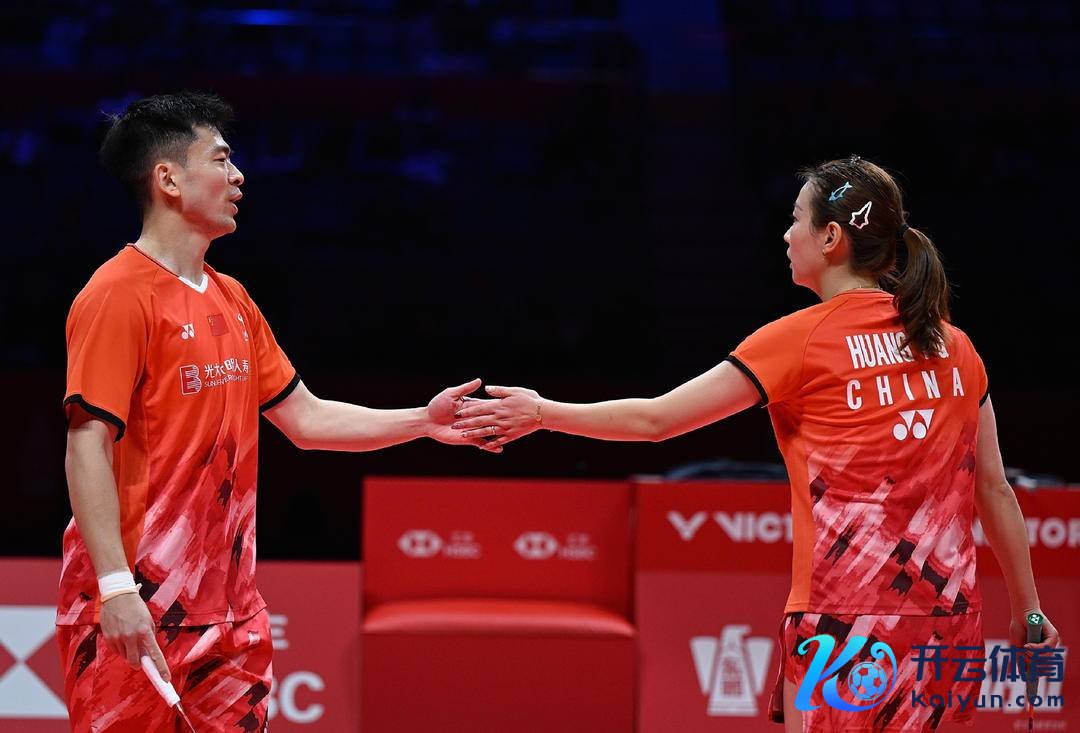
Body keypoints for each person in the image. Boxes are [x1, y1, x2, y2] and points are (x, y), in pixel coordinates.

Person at [454, 156, 1060, 731]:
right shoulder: (955, 346)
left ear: (831, 238)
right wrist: (1029, 610)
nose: (786, 235)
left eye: (796, 219)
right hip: (947, 618)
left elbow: (658, 420)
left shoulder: (800, 340)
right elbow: (994, 489)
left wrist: (544, 413)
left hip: (844, 620)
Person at [58, 92, 495, 732]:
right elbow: (87, 443)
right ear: (168, 179)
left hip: (232, 613)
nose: (239, 177)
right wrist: (116, 588)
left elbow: (307, 420)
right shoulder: (116, 295)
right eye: (221, 160)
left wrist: (423, 423)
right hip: (141, 607)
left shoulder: (233, 299)